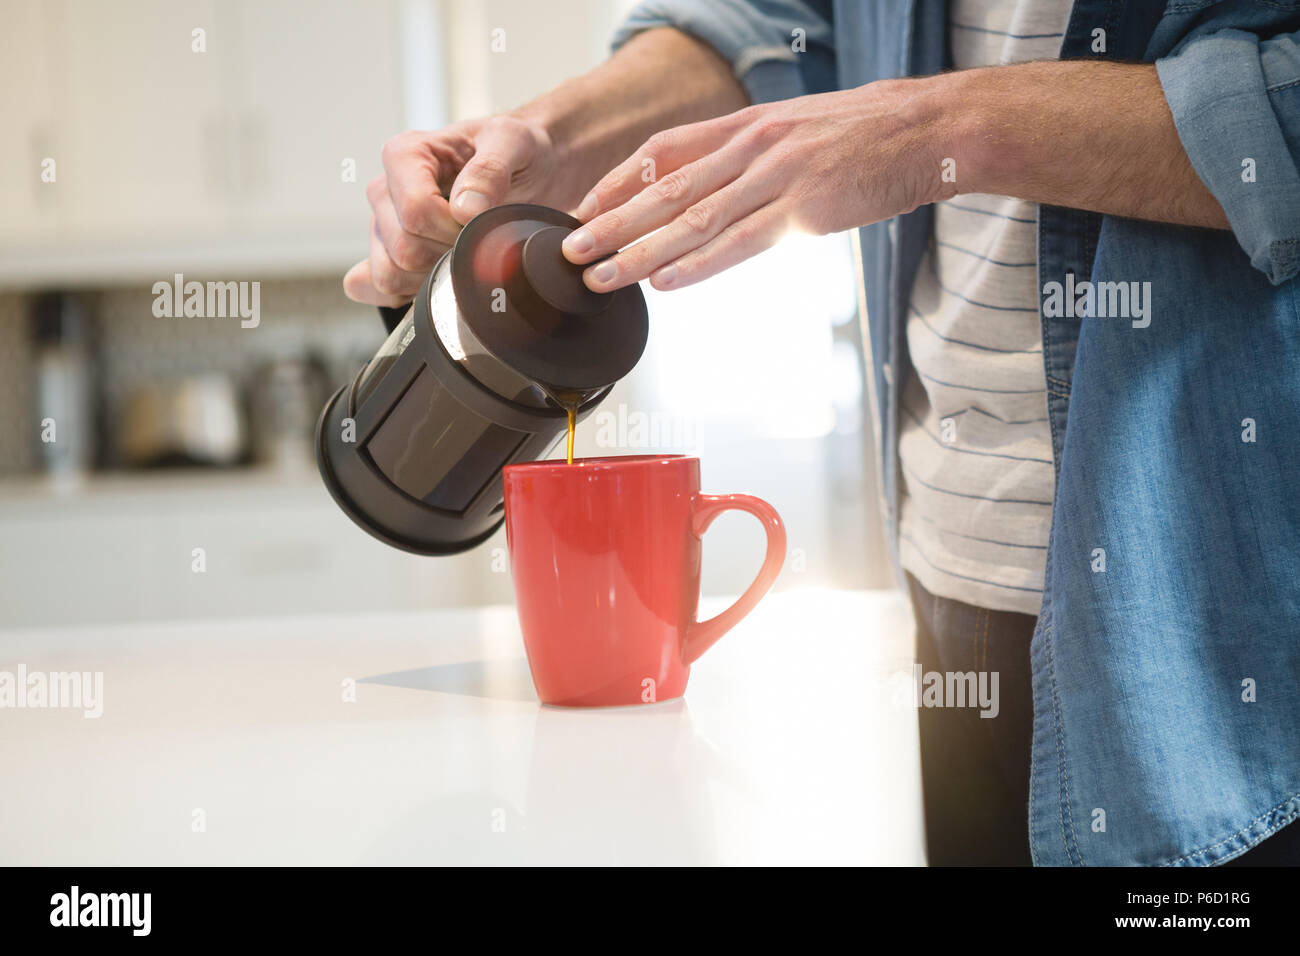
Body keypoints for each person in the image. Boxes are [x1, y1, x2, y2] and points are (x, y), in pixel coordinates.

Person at [344, 1, 1300, 866]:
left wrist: (937, 126)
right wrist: (554, 135)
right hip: (947, 585)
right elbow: (784, 20)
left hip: (1221, 623)